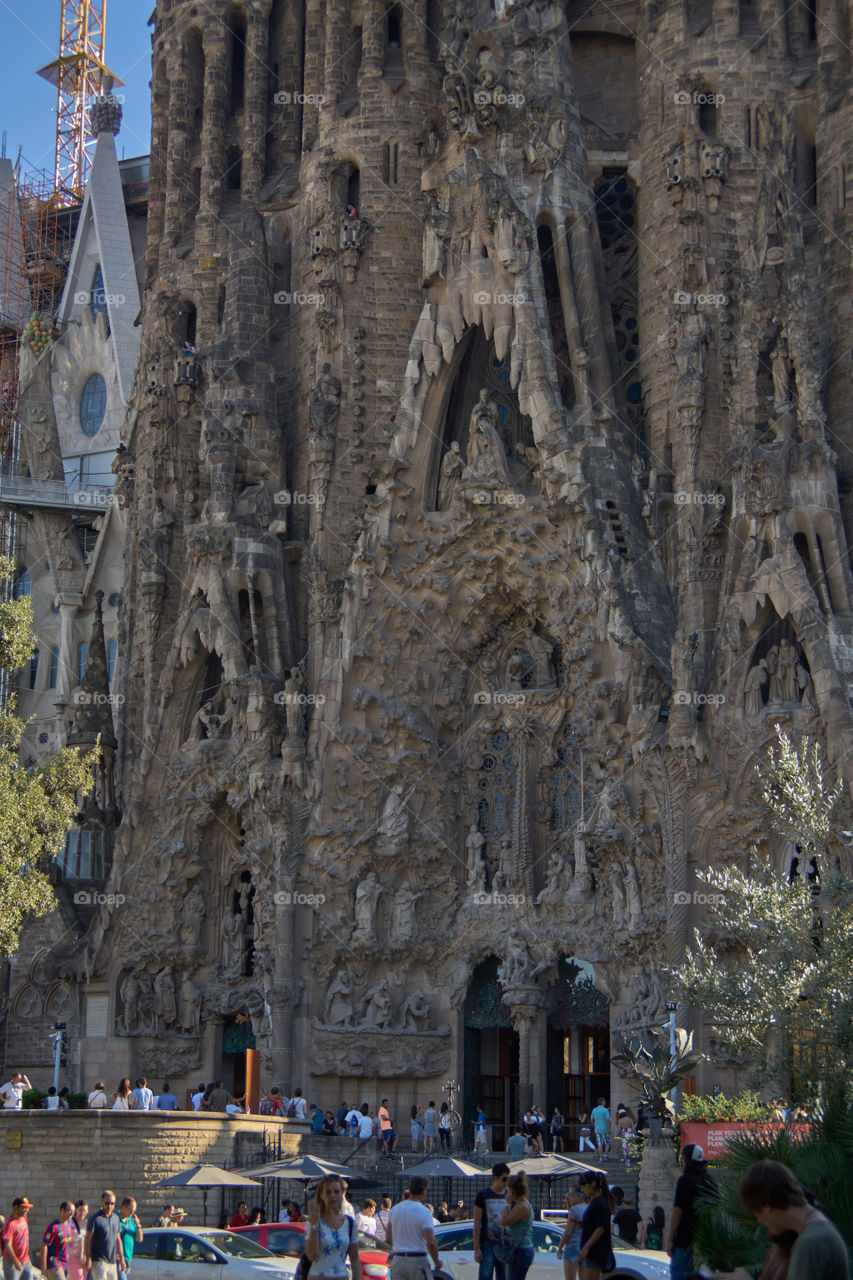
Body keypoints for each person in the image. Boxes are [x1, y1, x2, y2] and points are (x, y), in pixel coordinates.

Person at [717, 1160, 849, 1280]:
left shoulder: (811, 1243)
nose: (760, 1221)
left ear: (766, 1206)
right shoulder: (819, 1231)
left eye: (756, 1213)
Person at [667, 1144, 716, 1280]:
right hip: (705, 1240)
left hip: (684, 1240)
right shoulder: (709, 1180)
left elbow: (678, 1211)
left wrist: (670, 1239)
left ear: (686, 1159)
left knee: (680, 1275)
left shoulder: (685, 1180)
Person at [304, 1176, 362, 1280]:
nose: (333, 1195)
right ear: (321, 1195)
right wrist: (314, 1225)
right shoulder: (314, 1221)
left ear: (342, 1194)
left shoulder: (349, 1223)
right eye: (328, 1192)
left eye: (336, 1191)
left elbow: (355, 1259)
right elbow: (312, 1255)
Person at [387, 1175, 439, 1280]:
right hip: (417, 1260)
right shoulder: (424, 1212)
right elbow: (431, 1242)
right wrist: (436, 1261)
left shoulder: (394, 1210)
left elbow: (388, 1239)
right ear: (424, 1191)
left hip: (398, 1260)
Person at [474, 1162, 510, 1280]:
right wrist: (477, 1248)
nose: (506, 1183)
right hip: (487, 1244)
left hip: (505, 1245)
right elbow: (476, 1223)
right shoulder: (483, 1195)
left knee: (504, 1276)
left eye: (508, 1179)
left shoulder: (509, 1196)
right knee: (485, 1276)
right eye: (504, 1179)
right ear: (495, 1178)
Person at [498, 1172, 535, 1280]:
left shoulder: (522, 1207)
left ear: (513, 1191)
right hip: (519, 1249)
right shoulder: (521, 1204)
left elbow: (503, 1221)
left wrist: (507, 1204)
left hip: (520, 1250)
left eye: (508, 1190)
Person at [577, 1172, 613, 1278]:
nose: (582, 1190)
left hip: (595, 1252)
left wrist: (585, 1248)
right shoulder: (596, 1202)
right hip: (592, 1251)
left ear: (592, 1184)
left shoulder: (600, 1202)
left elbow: (601, 1228)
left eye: (584, 1186)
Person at [83, 1190, 125, 1280]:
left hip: (112, 1262)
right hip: (98, 1261)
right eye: (107, 1203)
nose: (109, 1206)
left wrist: (122, 1259)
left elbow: (118, 1239)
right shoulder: (95, 1219)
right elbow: (87, 1239)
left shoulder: (116, 1218)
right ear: (102, 1202)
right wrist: (88, 1258)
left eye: (112, 1203)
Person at [556, 1189, 586, 1280]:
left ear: (579, 1195)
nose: (569, 1197)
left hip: (572, 1247)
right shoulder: (590, 1207)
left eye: (571, 1195)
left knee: (570, 1278)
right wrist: (569, 1203)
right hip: (585, 1247)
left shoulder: (574, 1210)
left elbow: (567, 1233)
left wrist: (560, 1247)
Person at [41, 1202, 75, 1280]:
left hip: (65, 1263)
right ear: (62, 1211)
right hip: (54, 1263)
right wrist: (43, 1266)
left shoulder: (69, 1225)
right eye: (70, 1211)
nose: (72, 1214)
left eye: (74, 1211)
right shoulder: (54, 1227)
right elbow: (44, 1245)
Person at [2, 1197, 34, 1280]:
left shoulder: (23, 1217)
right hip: (11, 1262)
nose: (27, 1210)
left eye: (28, 1208)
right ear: (16, 1207)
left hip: (25, 1260)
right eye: (24, 1207)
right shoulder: (10, 1224)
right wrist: (16, 1261)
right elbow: (8, 1245)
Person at [116, 1201, 142, 1280]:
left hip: (128, 1260)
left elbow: (139, 1239)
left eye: (134, 1210)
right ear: (123, 1207)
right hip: (117, 1260)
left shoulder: (131, 1221)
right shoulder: (115, 1218)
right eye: (130, 1210)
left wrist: (138, 1226)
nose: (132, 1213)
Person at [66, 1203, 89, 1280]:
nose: (82, 1213)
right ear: (76, 1210)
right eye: (80, 1210)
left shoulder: (88, 1223)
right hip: (72, 1255)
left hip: (84, 1257)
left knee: (84, 1278)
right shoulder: (69, 1222)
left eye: (84, 1210)